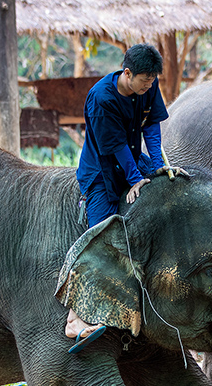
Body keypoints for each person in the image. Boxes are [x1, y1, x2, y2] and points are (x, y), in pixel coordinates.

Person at [65, 43, 175, 353]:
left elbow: (151, 127)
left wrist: (156, 167)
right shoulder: (102, 99)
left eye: (153, 81)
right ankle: (76, 318)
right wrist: (136, 179)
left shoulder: (147, 87)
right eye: (145, 81)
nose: (150, 86)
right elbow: (115, 147)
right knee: (101, 236)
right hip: (101, 170)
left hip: (130, 160)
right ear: (127, 74)